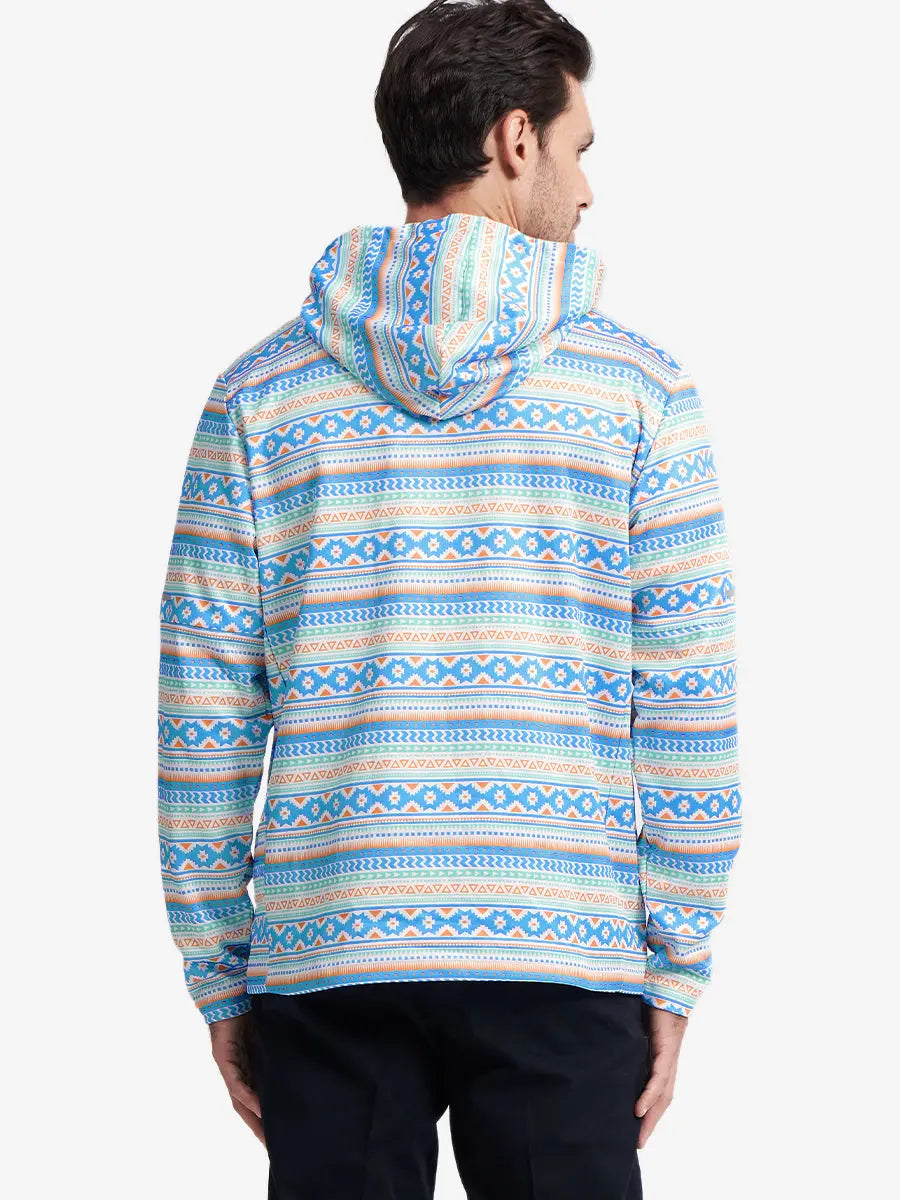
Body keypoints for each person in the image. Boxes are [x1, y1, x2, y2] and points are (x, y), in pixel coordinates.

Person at [157, 2, 742, 1196]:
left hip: (329, 947)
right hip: (562, 943)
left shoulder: (258, 399)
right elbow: (688, 702)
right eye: (579, 148)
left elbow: (204, 716)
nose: (588, 188)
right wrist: (676, 960)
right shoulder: (640, 394)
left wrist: (220, 971)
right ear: (516, 139)